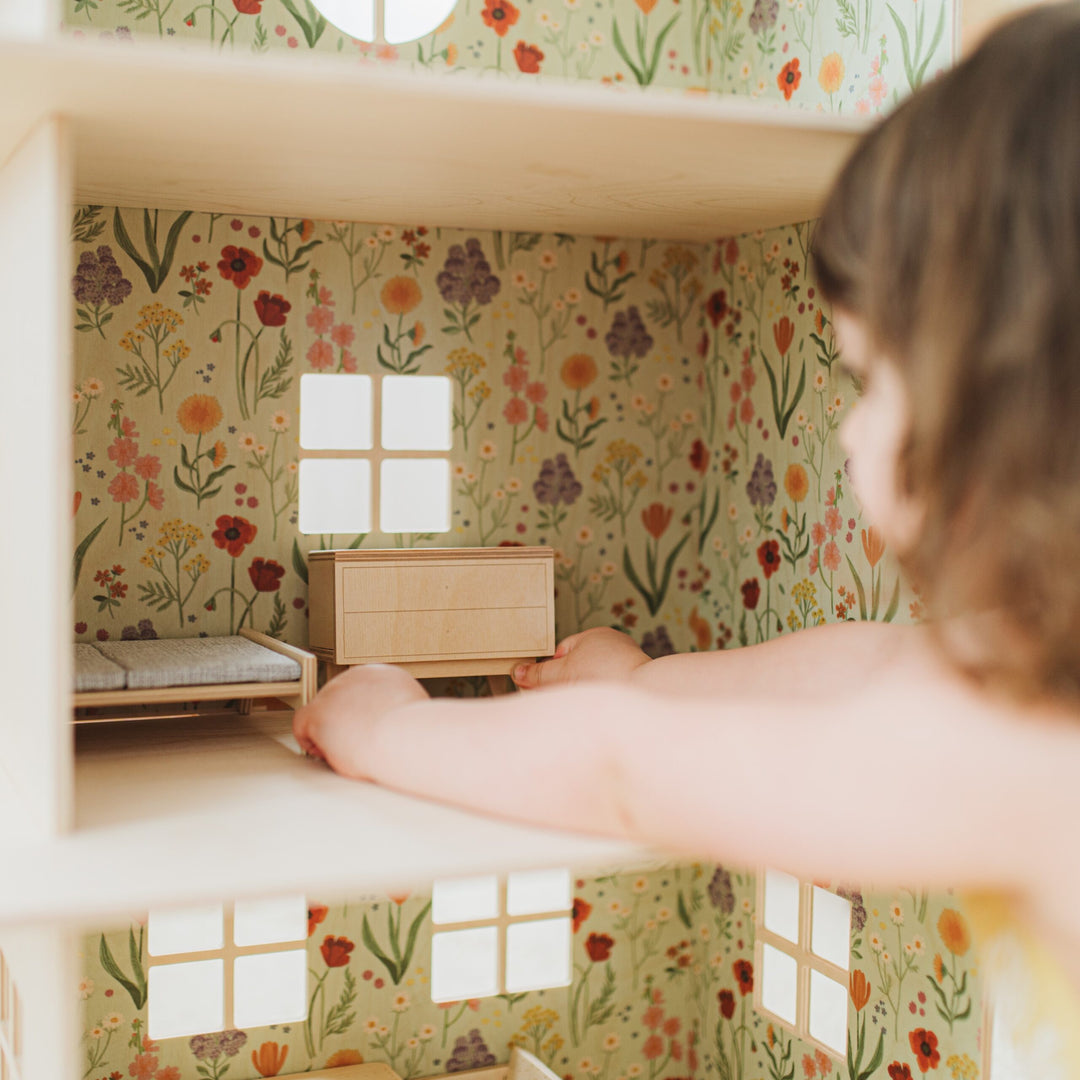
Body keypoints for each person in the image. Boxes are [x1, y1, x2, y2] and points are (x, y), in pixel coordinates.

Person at [294, 2, 1080, 1072]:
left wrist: (388, 727)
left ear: (1004, 389)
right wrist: (645, 676)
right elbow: (863, 663)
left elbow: (625, 774)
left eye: (872, 376)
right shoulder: (1030, 683)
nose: (851, 424)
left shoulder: (1031, 748)